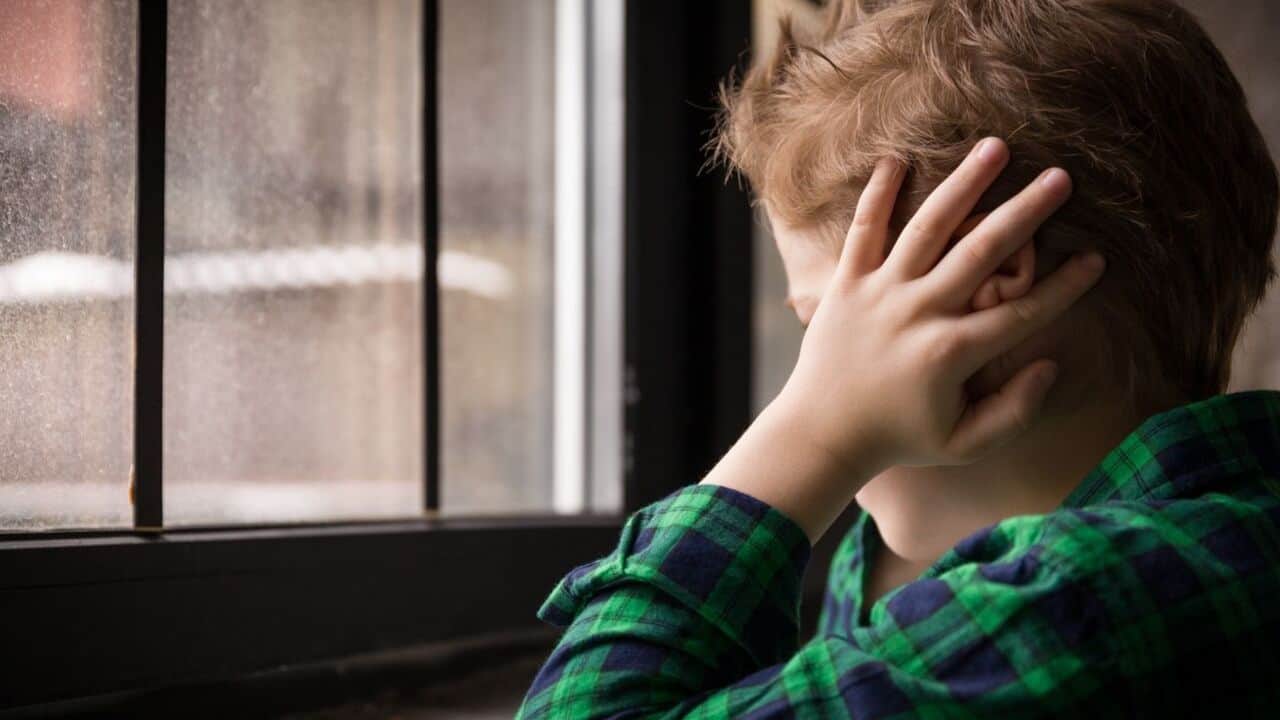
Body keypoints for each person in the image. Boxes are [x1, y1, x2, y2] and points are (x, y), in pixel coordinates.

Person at [518, 0, 1280, 716]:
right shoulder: (1206, 535)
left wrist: (815, 434)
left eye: (828, 331)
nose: (817, 380)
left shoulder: (1082, 600)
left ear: (981, 285)